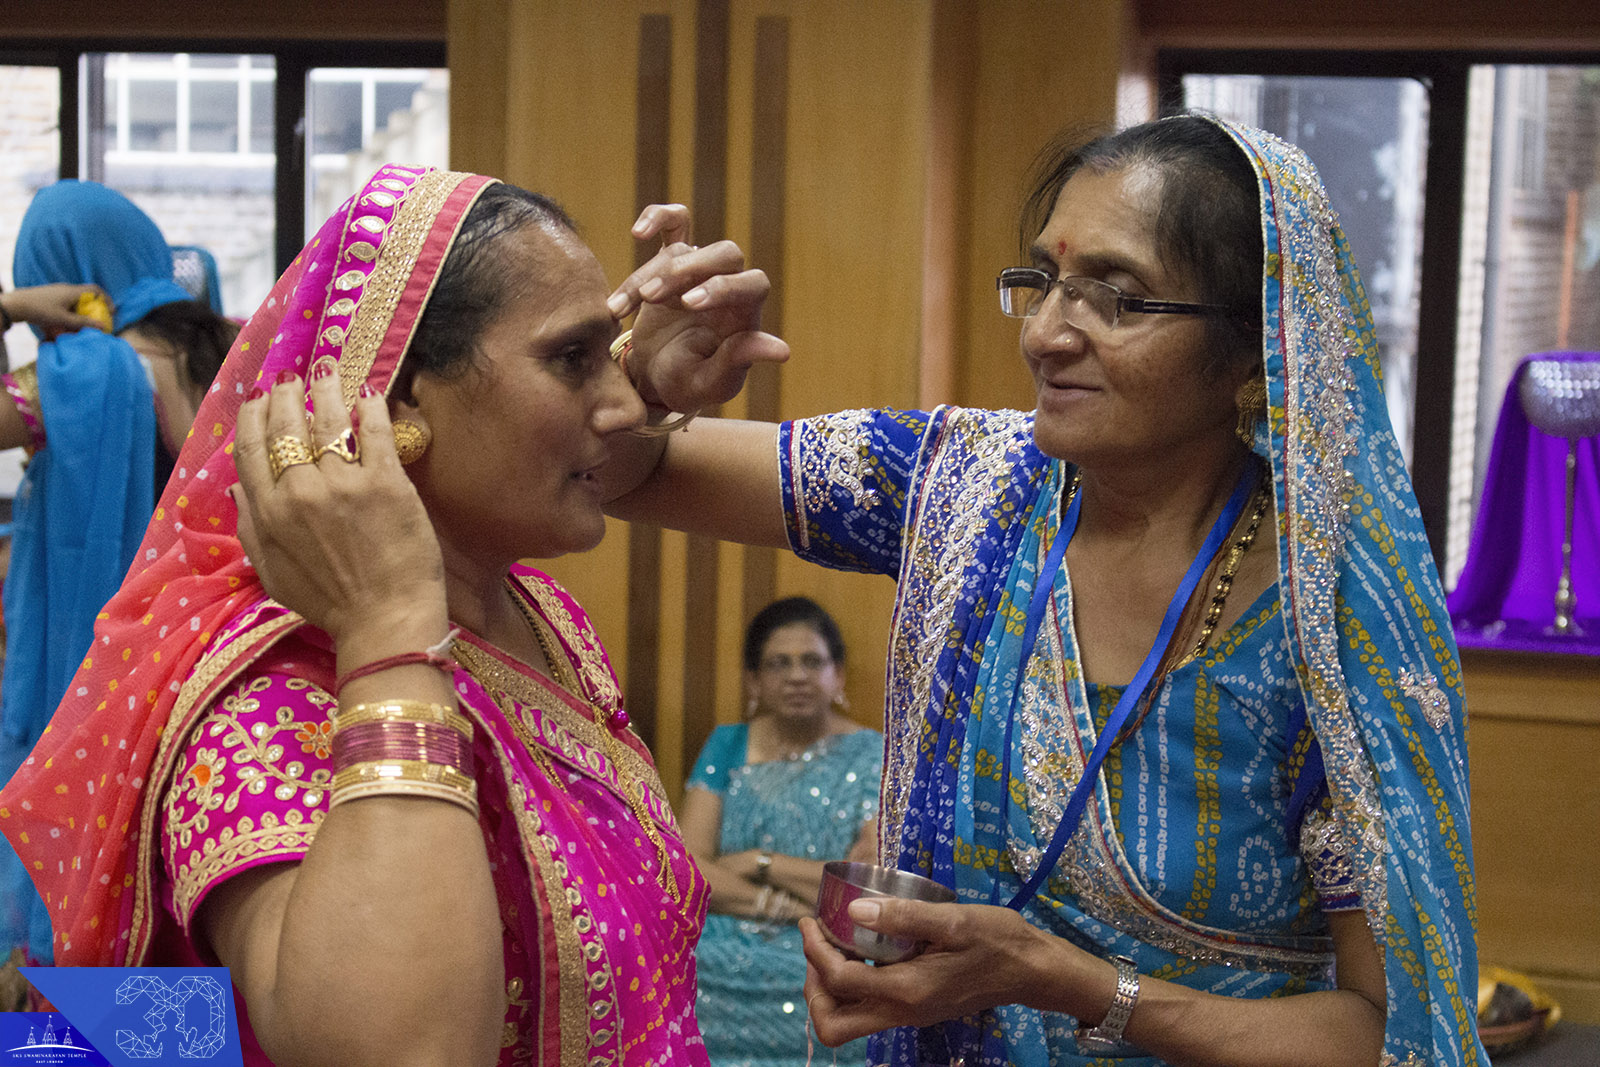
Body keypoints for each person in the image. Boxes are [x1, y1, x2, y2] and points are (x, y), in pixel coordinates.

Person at [596, 115, 1486, 1066]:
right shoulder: (961, 480)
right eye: (1044, 282)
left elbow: (1389, 1035)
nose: (1047, 334)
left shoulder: (1329, 626)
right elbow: (622, 474)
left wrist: (1064, 979)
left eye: (1116, 297)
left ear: (1251, 346)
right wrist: (640, 383)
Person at [0, 164, 784, 1065]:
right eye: (573, 359)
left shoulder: (541, 615)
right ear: (401, 398)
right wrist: (385, 630)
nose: (625, 403)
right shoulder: (270, 699)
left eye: (610, 357)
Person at [0, 183, 235, 964]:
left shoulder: (79, 377)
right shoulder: (230, 348)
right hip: (218, 662)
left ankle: (80, 1028)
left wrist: (8, 307)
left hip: (110, 672)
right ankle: (189, 1030)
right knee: (190, 891)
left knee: (101, 895)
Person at [681, 596, 881, 1067]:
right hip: (724, 940)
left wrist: (759, 862)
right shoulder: (728, 744)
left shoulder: (872, 754)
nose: (796, 676)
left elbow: (860, 887)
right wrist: (784, 906)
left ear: (838, 675)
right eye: (778, 663)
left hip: (822, 945)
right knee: (672, 969)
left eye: (812, 661)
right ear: (753, 680)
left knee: (844, 989)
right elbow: (686, 871)